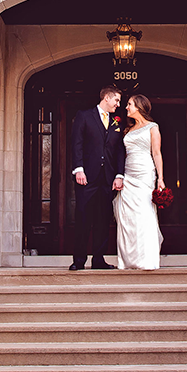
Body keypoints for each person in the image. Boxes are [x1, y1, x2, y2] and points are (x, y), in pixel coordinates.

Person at [69, 86, 125, 270]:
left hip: (108, 180)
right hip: (87, 177)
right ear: (106, 98)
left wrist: (119, 175)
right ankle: (78, 261)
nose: (118, 104)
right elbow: (76, 143)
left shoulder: (116, 121)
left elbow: (118, 150)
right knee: (83, 218)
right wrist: (79, 169)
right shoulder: (84, 116)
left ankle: (99, 260)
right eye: (116, 100)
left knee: (103, 219)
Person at [114, 94, 165, 270]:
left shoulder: (153, 127)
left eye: (129, 104)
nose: (126, 107)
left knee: (144, 215)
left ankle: (147, 259)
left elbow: (156, 153)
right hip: (128, 175)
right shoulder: (127, 130)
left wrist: (161, 178)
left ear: (139, 106)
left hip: (145, 174)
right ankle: (128, 260)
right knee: (127, 218)